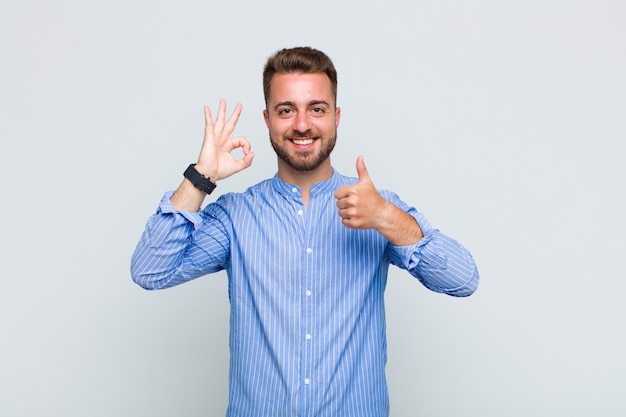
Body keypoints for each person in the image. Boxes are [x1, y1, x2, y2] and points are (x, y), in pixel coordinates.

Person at [131, 46, 479, 417]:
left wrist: (386, 218)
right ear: (267, 119)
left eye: (317, 108)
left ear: (336, 116)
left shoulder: (378, 206)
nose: (302, 124)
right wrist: (201, 177)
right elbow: (150, 271)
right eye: (286, 110)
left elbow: (463, 279)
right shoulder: (237, 217)